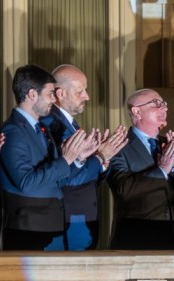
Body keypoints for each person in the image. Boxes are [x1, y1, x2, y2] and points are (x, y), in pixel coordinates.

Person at [0, 64, 97, 250]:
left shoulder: (40, 128)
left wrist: (78, 159)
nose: (54, 99)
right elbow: (26, 182)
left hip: (52, 229)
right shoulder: (13, 131)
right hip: (29, 231)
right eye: (50, 94)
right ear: (32, 95)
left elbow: (58, 179)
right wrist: (65, 160)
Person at [40, 64, 128, 250]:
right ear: (60, 93)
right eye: (80, 91)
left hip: (79, 224)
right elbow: (65, 178)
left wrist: (102, 161)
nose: (87, 96)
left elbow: (85, 173)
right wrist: (99, 157)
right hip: (65, 225)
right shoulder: (52, 125)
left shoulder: (67, 122)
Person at [107, 88, 174, 250]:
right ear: (137, 111)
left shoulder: (170, 145)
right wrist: (162, 170)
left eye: (164, 104)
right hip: (136, 241)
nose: (164, 108)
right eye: (156, 104)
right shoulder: (118, 146)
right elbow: (124, 190)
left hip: (172, 239)